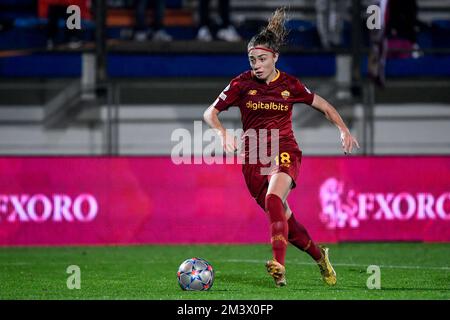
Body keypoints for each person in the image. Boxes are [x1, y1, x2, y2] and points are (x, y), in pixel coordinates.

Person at [203, 8, 359, 287]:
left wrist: (343, 129)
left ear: (275, 57)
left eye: (262, 59)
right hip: (253, 158)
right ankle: (320, 257)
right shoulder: (241, 84)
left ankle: (279, 266)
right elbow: (209, 113)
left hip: (284, 148)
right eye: (252, 59)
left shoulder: (290, 85)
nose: (257, 65)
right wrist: (223, 133)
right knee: (286, 220)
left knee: (273, 199)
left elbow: (323, 105)